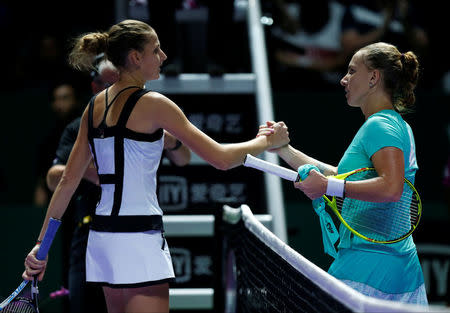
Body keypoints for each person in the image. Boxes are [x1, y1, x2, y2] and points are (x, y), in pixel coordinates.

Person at [23, 19, 289, 313]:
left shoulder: (95, 106)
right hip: (138, 238)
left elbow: (67, 182)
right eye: (156, 50)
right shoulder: (156, 104)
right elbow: (222, 159)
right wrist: (266, 142)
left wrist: (41, 246)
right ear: (136, 57)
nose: (163, 57)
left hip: (103, 240)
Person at [259, 42, 428, 305]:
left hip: (369, 267)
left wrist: (328, 186)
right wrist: (284, 150)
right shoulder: (393, 124)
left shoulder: (380, 125)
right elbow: (343, 176)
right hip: (396, 267)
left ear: (374, 77)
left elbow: (391, 188)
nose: (343, 79)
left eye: (352, 71)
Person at [45, 57, 192, 313]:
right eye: (109, 83)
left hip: (138, 234)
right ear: (96, 87)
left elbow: (186, 158)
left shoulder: (151, 117)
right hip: (95, 234)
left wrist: (172, 141)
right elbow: (60, 178)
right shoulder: (87, 121)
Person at [34, 83, 83, 207]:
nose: (60, 104)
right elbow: (42, 181)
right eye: (57, 99)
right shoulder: (48, 139)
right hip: (57, 205)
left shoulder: (86, 130)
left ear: (76, 101)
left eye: (65, 98)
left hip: (84, 200)